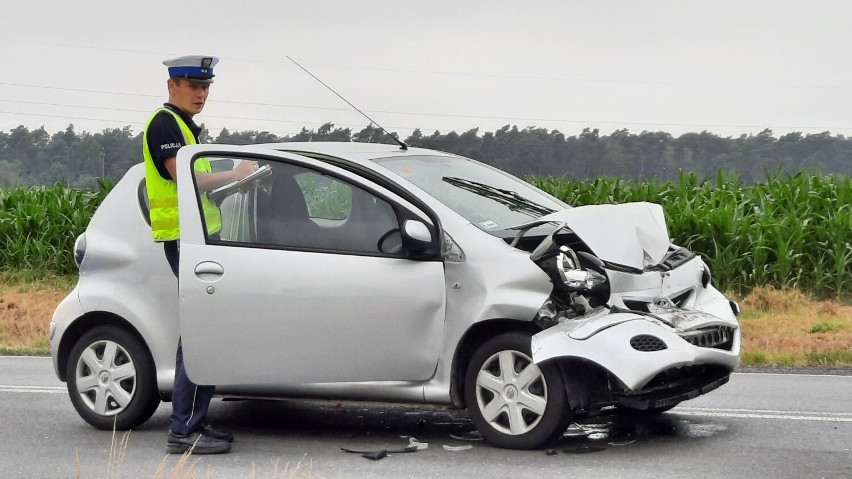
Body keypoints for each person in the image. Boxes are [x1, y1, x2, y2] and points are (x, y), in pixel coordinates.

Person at [142, 55, 256, 455]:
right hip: (183, 240)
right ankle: (183, 430)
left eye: (206, 86)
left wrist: (237, 187)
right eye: (194, 86)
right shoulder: (164, 124)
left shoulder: (187, 128)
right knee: (198, 332)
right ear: (172, 85)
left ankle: (195, 420)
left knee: (205, 331)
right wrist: (234, 175)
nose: (201, 93)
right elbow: (182, 176)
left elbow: (197, 190)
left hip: (198, 238)